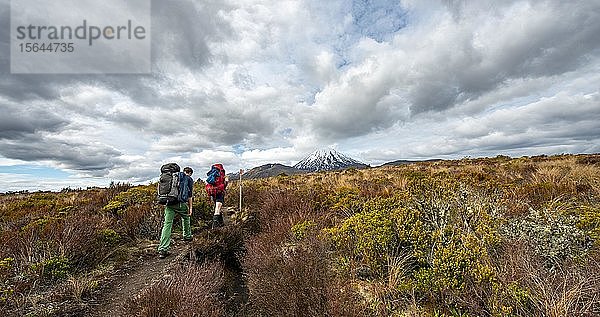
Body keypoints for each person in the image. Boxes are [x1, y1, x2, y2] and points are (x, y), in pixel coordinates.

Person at [157, 166, 194, 259]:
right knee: (186, 217)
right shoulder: (188, 179)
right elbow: (189, 196)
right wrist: (190, 208)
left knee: (167, 224)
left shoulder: (168, 177)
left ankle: (163, 249)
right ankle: (187, 235)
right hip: (180, 203)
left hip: (169, 203)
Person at [205, 163, 228, 228]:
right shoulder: (222, 175)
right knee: (217, 209)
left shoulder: (212, 174)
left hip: (213, 192)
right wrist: (226, 181)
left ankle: (221, 223)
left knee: (217, 207)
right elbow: (225, 185)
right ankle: (214, 227)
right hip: (220, 193)